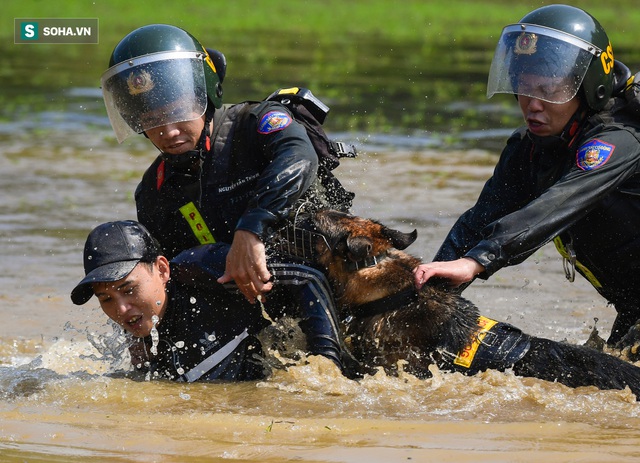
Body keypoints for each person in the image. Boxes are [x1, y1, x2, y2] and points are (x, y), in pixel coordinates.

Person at [99, 24, 355, 372]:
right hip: (251, 305)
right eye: (152, 120)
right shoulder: (155, 190)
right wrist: (141, 341)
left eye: (178, 112)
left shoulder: (256, 123)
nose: (168, 132)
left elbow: (299, 157)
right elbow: (162, 277)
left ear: (205, 95)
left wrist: (251, 230)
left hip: (329, 283)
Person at [413, 4, 640, 349]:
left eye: (550, 92)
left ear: (589, 89)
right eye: (525, 88)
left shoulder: (620, 140)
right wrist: (428, 293)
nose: (532, 104)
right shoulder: (529, 148)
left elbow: (556, 204)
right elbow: (480, 222)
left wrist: (477, 262)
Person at [71, 220, 344, 381]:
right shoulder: (140, 333)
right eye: (105, 298)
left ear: (162, 270)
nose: (120, 309)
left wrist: (329, 367)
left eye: (129, 289)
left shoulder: (206, 269)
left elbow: (308, 279)